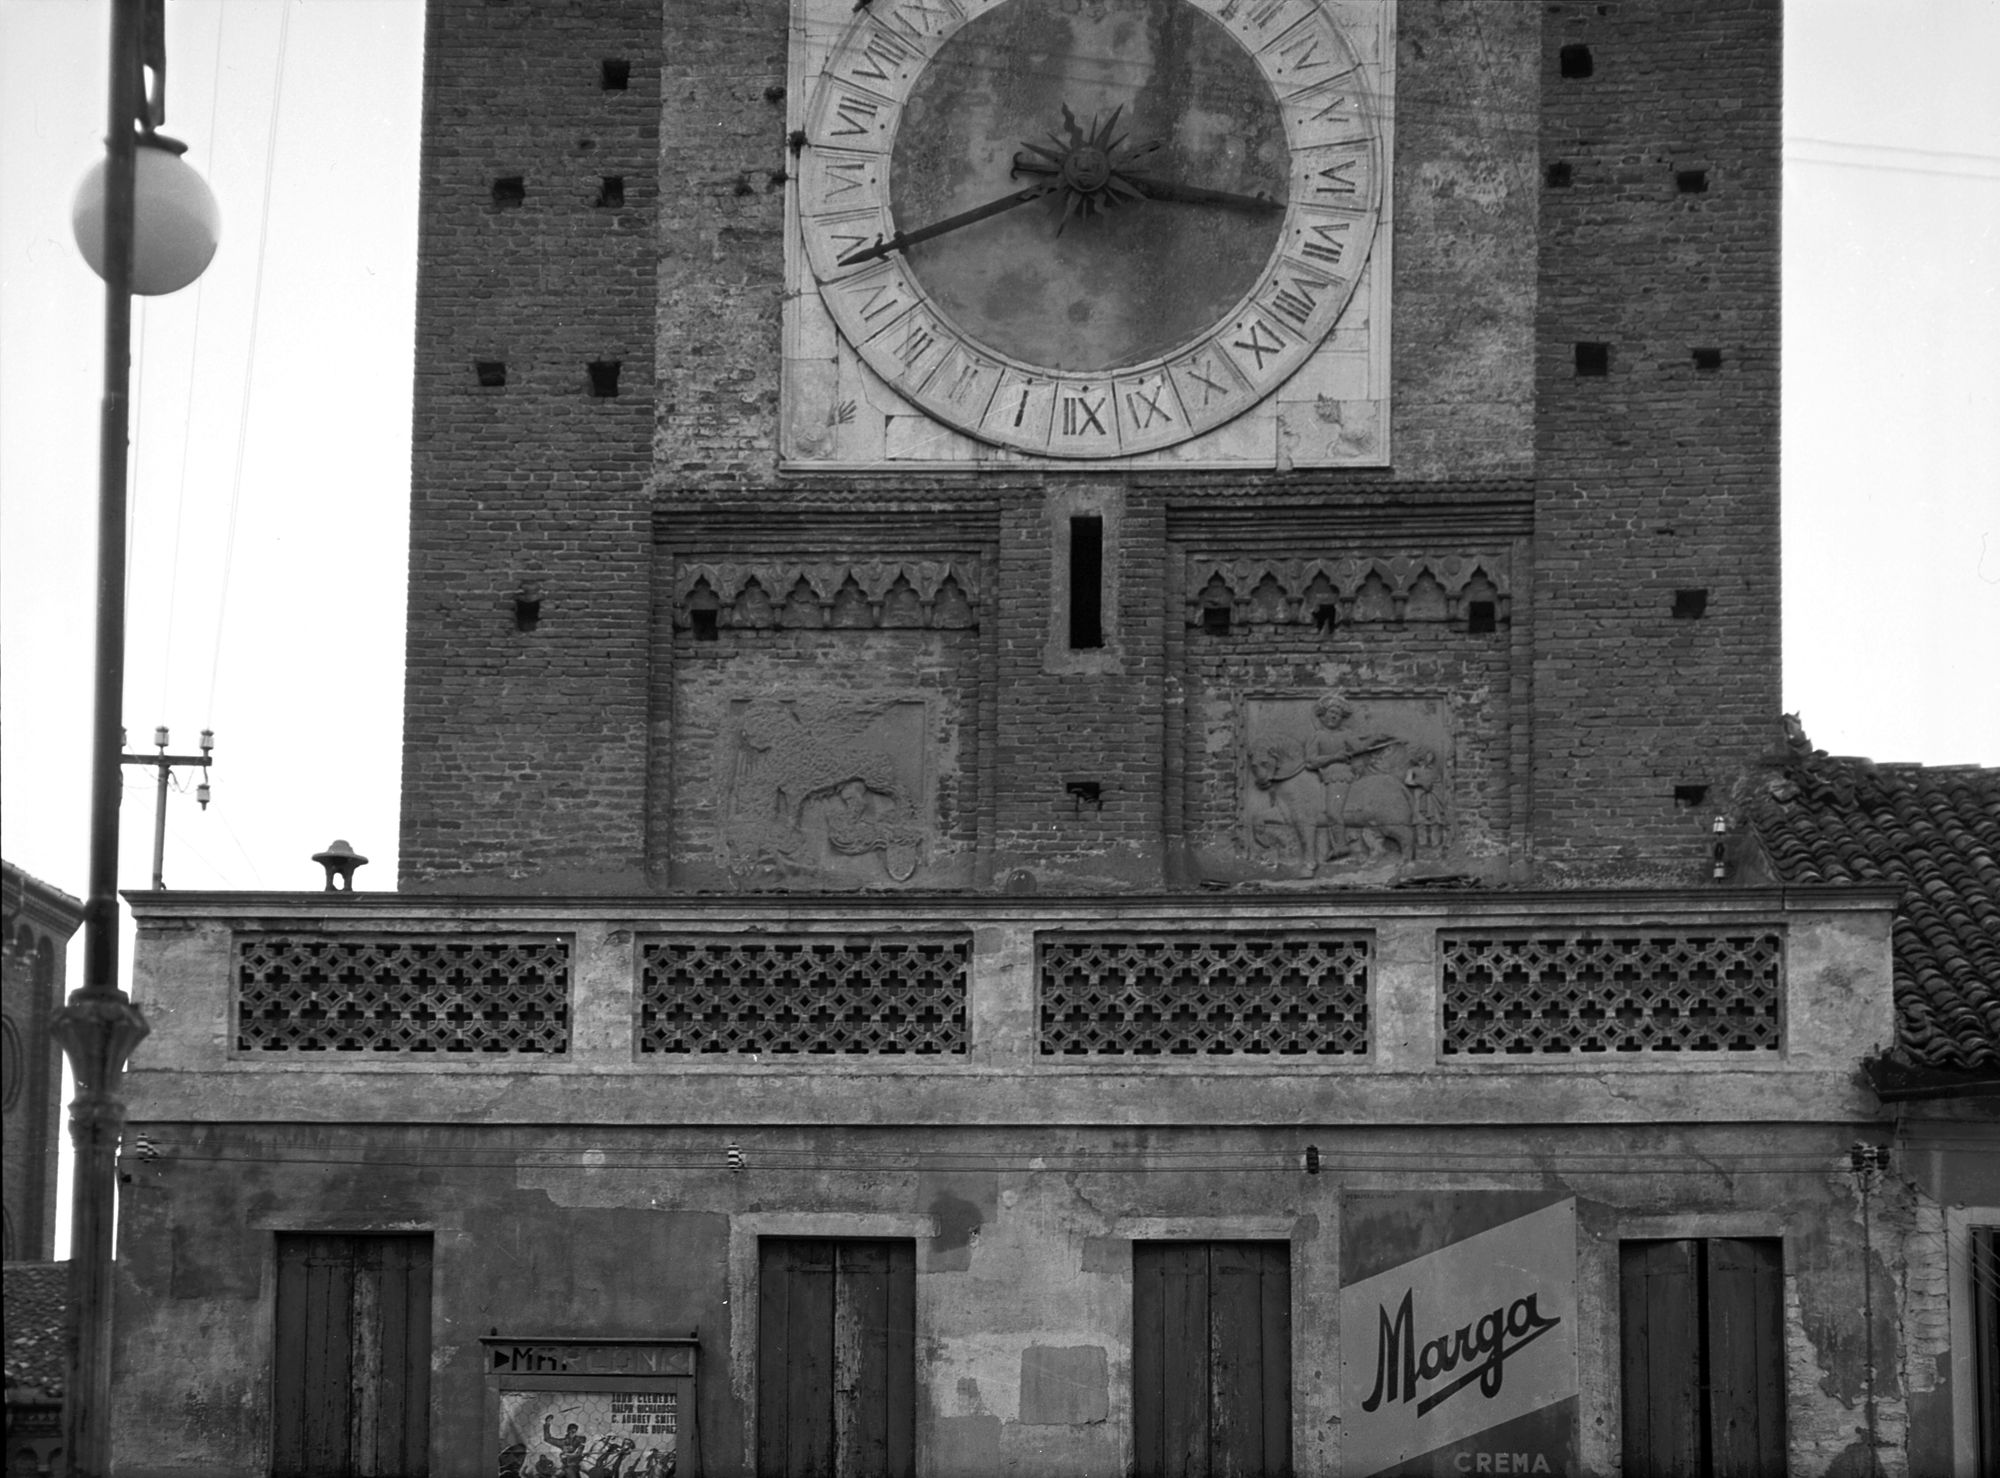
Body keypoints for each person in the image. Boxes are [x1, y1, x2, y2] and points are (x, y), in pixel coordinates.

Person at [1301, 694, 1389, 863]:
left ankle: (1341, 846)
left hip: (1340, 776)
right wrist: (1334, 757)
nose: (1334, 716)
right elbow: (1310, 761)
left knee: (1333, 812)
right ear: (1323, 715)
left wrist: (1375, 738)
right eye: (1331, 712)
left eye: (1338, 714)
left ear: (1342, 718)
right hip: (1323, 776)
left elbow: (1359, 747)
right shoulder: (1317, 736)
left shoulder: (1346, 734)